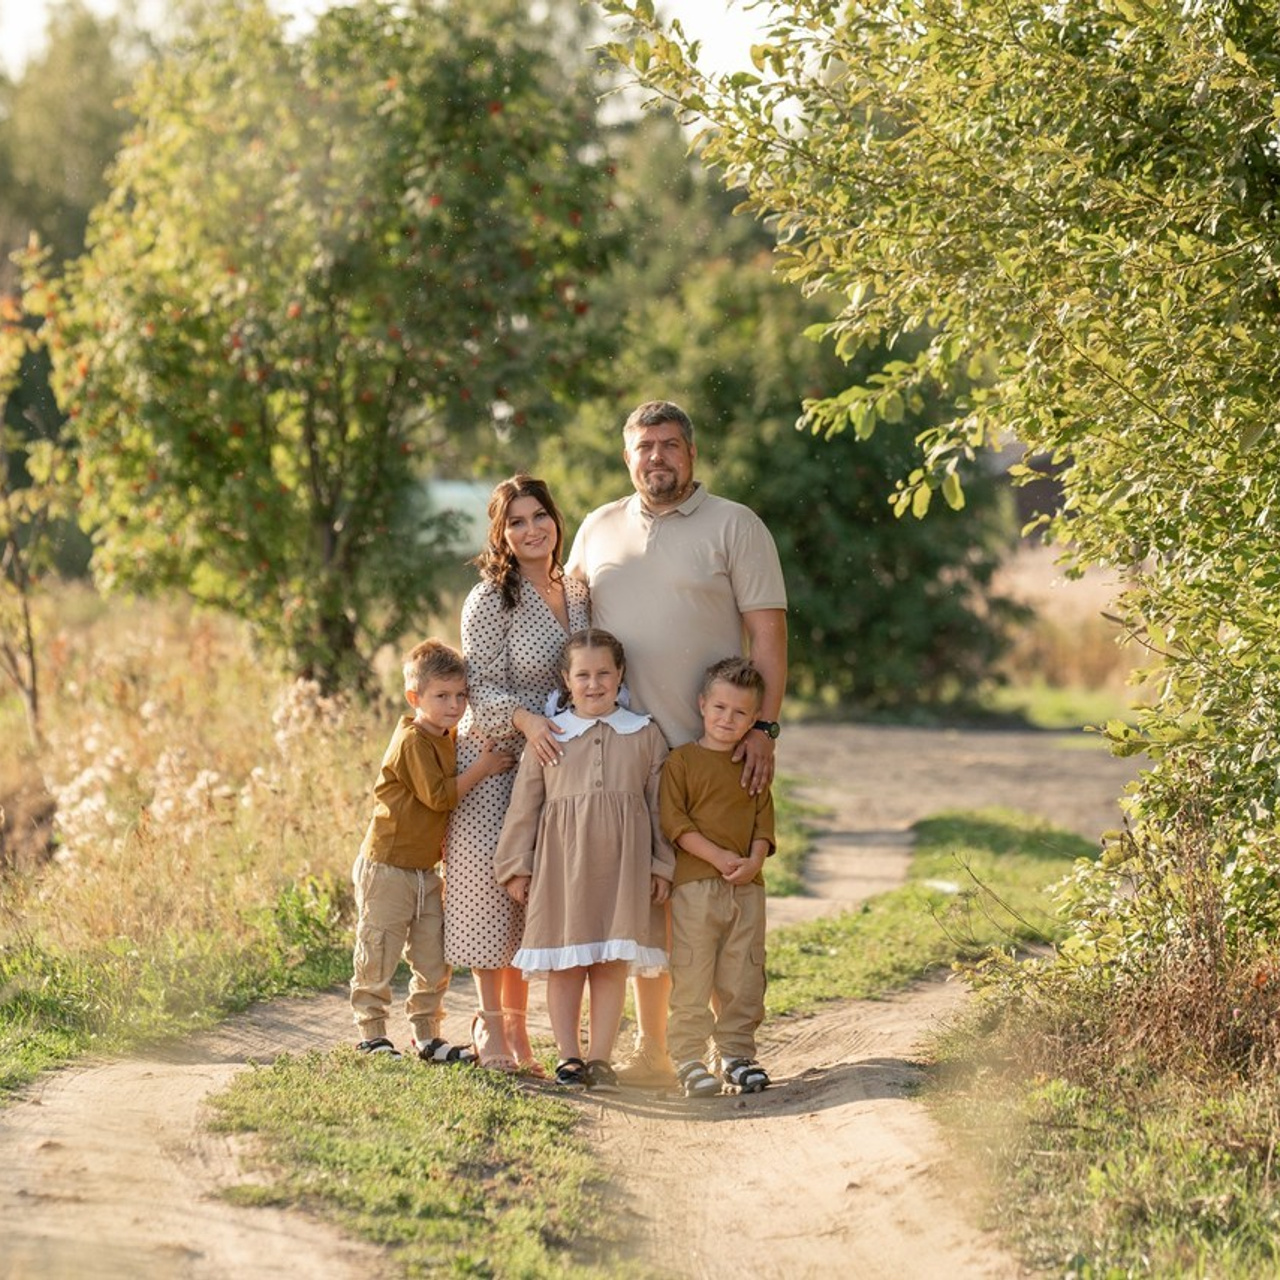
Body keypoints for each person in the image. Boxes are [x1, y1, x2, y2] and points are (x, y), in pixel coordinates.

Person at [566, 399, 787, 1087]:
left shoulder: (736, 526)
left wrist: (765, 729)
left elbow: (769, 637)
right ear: (627, 456)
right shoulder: (597, 528)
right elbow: (569, 628)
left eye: (668, 445)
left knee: (714, 905)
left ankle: (731, 1047)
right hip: (621, 751)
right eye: (643, 447)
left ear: (690, 454)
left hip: (711, 751)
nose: (655, 457)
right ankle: (657, 1050)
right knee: (646, 904)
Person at [443, 475, 591, 1073]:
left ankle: (525, 1034)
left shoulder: (578, 593)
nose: (532, 530)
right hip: (496, 757)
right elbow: (476, 688)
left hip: (557, 762)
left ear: (556, 519)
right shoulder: (489, 599)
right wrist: (526, 720)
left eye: (540, 516)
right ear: (501, 534)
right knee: (486, 892)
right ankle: (491, 1029)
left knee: (531, 899)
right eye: (516, 522)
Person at [494, 628, 675, 1092]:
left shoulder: (644, 734)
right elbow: (525, 805)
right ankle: (569, 1056)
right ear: (565, 680)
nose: (593, 684)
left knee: (611, 962)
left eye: (603, 674)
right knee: (566, 961)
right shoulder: (549, 736)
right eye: (582, 675)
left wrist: (661, 864)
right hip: (563, 868)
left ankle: (600, 1057)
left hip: (624, 868)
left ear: (620, 676)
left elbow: (660, 807)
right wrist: (517, 864)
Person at [350, 638, 516, 1059]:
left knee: (432, 956)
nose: (454, 705)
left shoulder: (448, 734)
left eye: (461, 695)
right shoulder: (412, 741)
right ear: (415, 697)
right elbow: (440, 797)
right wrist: (484, 767)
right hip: (388, 866)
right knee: (379, 947)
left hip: (426, 870)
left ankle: (427, 1036)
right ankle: (372, 1033)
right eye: (441, 696)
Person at [660, 657, 776, 1098]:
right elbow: (675, 823)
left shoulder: (752, 763)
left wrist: (753, 861)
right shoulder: (682, 762)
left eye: (741, 712)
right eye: (721, 708)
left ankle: (736, 1055)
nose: (729, 719)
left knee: (744, 974)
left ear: (754, 718)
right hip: (695, 888)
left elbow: (764, 822)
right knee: (691, 971)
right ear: (702, 705)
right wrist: (719, 856)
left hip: (747, 887)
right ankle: (689, 1057)